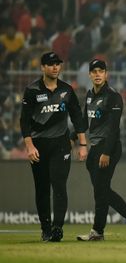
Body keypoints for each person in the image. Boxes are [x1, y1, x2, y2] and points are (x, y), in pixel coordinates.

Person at [20, 51, 88, 242]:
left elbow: (77, 117)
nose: (55, 67)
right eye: (51, 64)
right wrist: (29, 146)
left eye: (58, 64)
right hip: (39, 146)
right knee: (42, 189)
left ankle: (57, 228)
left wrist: (82, 144)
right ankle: (46, 228)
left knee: (59, 185)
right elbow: (24, 121)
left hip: (61, 144)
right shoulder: (32, 90)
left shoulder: (67, 90)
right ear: (43, 67)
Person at [77, 59, 126, 241]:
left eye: (101, 71)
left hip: (110, 147)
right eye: (94, 71)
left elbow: (114, 128)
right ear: (89, 75)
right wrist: (72, 138)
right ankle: (98, 232)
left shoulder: (113, 96)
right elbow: (84, 121)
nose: (98, 74)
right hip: (95, 148)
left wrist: (106, 152)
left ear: (106, 74)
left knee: (102, 191)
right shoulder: (90, 95)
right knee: (101, 192)